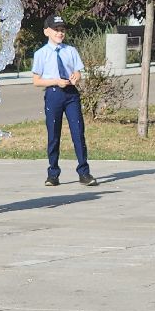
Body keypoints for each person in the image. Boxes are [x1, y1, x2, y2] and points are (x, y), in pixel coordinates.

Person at [31, 13, 97, 187]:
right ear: (47, 32)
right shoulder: (41, 54)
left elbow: (78, 72)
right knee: (54, 134)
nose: (60, 33)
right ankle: (53, 173)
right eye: (56, 30)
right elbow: (36, 81)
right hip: (54, 94)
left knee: (78, 132)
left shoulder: (70, 51)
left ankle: (84, 172)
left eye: (62, 30)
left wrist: (77, 77)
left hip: (71, 94)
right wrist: (55, 81)